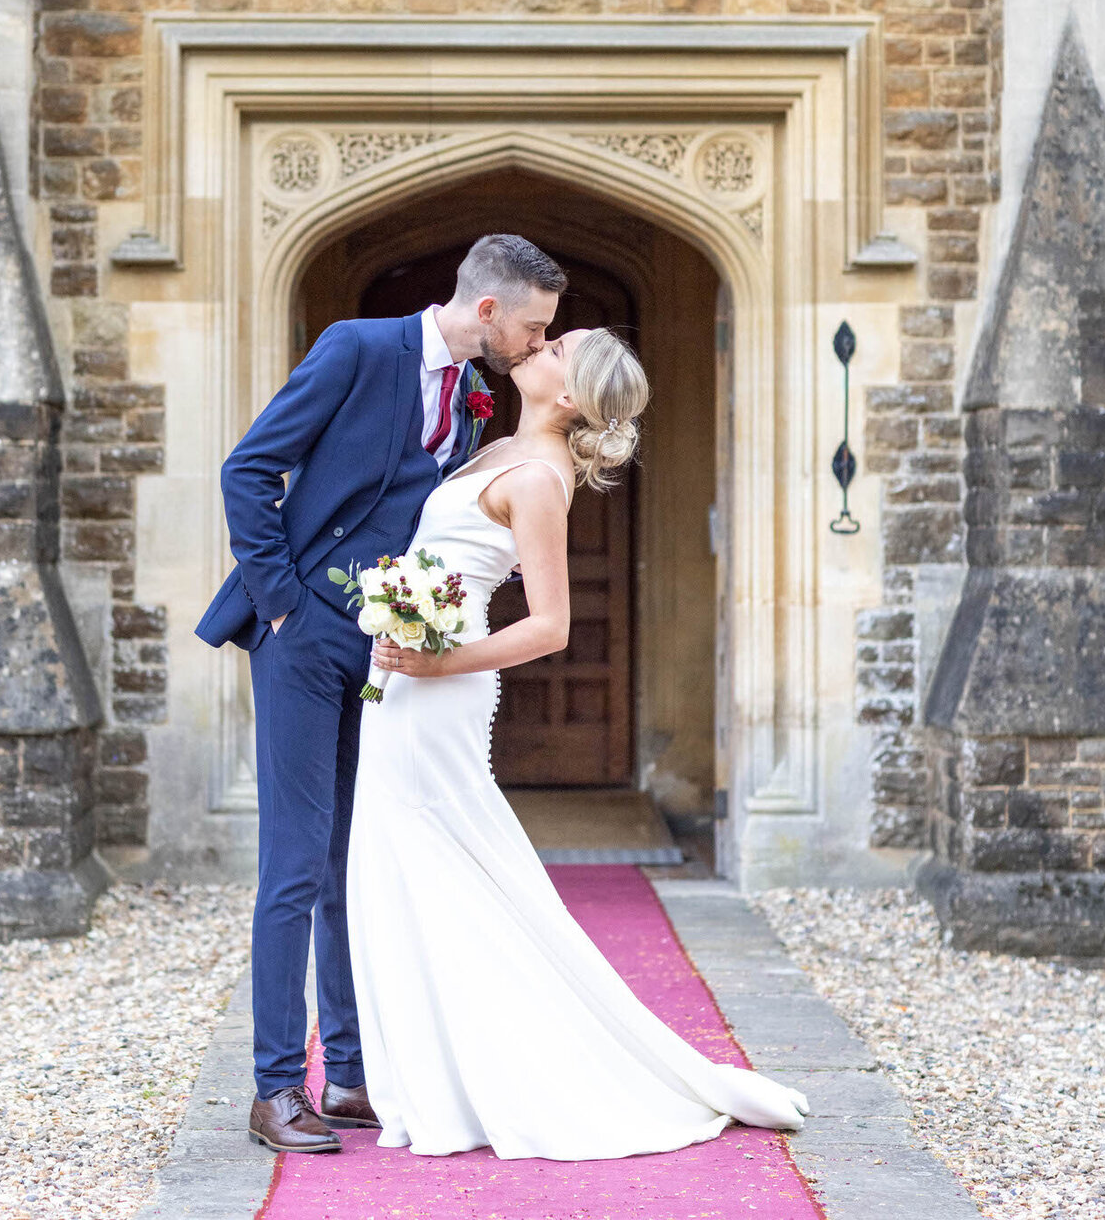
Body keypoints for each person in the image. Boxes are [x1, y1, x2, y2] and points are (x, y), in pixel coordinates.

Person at [347, 327, 809, 1159]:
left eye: (558, 344)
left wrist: (436, 656)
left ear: (568, 394)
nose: (541, 342)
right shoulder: (501, 448)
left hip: (438, 693)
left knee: (438, 867)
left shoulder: (536, 477)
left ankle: (481, 1077)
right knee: (405, 866)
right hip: (408, 684)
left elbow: (551, 625)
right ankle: (433, 1071)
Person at [194, 234, 567, 1155]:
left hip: (391, 647)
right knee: (291, 862)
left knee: (351, 860)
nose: (536, 342)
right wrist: (281, 606)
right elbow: (250, 468)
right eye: (534, 325)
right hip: (303, 635)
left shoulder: (476, 398)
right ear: (489, 311)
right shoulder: (359, 348)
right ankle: (278, 1086)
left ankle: (353, 1075)